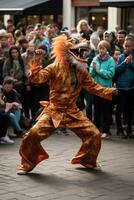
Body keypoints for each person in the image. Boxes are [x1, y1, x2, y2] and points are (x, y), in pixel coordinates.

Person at [16, 35, 117, 175]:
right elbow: (36, 79)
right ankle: (28, 163)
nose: (81, 51)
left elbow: (93, 87)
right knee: (31, 134)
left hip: (72, 112)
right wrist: (37, 60)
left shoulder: (81, 71)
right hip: (54, 111)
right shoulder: (54, 67)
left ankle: (87, 160)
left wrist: (110, 91)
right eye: (75, 44)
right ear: (64, 49)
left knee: (94, 134)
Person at [90, 40, 115, 139]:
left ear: (107, 50)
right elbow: (91, 73)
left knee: (106, 111)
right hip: (97, 89)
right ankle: (96, 130)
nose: (101, 50)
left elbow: (110, 74)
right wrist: (94, 71)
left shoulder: (111, 60)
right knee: (96, 111)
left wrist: (99, 71)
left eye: (103, 48)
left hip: (106, 89)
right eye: (100, 48)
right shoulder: (95, 59)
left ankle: (106, 131)